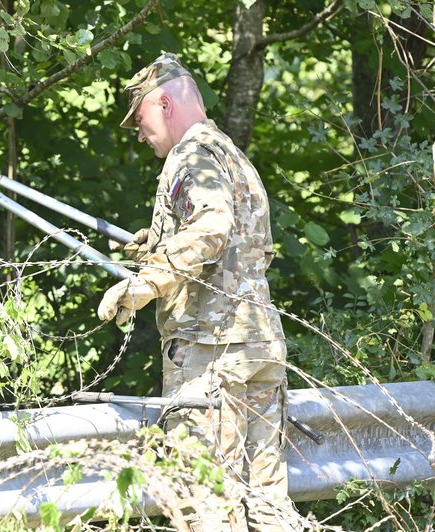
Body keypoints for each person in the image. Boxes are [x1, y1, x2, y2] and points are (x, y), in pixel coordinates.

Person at [97, 52, 299, 531]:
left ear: (164, 103)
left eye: (141, 121)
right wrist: (159, 241)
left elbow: (211, 226)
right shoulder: (229, 153)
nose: (140, 135)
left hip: (213, 356)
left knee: (206, 505)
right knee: (267, 506)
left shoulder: (190, 155)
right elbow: (241, 241)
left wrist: (145, 282)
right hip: (257, 349)